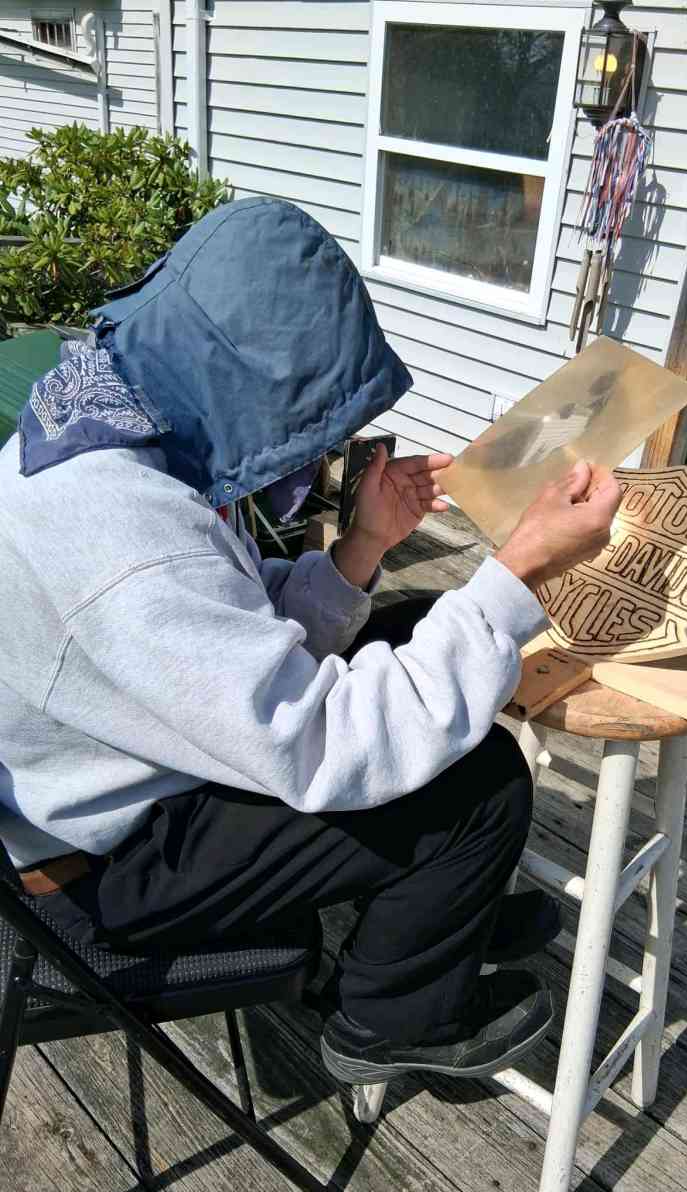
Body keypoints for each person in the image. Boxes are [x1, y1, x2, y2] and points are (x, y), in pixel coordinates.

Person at [0, 198, 622, 1085]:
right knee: (478, 784)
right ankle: (389, 1019)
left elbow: (225, 622)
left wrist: (362, 546)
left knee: (402, 624)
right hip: (106, 864)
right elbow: (326, 746)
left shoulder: (99, 420)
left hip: (112, 777)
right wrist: (518, 572)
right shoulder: (127, 537)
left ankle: (435, 928)